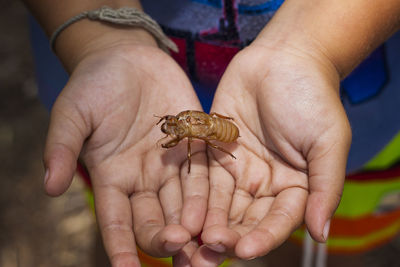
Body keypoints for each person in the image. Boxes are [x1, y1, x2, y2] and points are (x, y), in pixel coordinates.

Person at [23, 0, 400, 266]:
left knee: (324, 246)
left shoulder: (192, 133)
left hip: (360, 137)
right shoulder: (176, 130)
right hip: (207, 130)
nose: (171, 129)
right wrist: (101, 43)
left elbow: (193, 142)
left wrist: (315, 50)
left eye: (173, 127)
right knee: (151, 236)